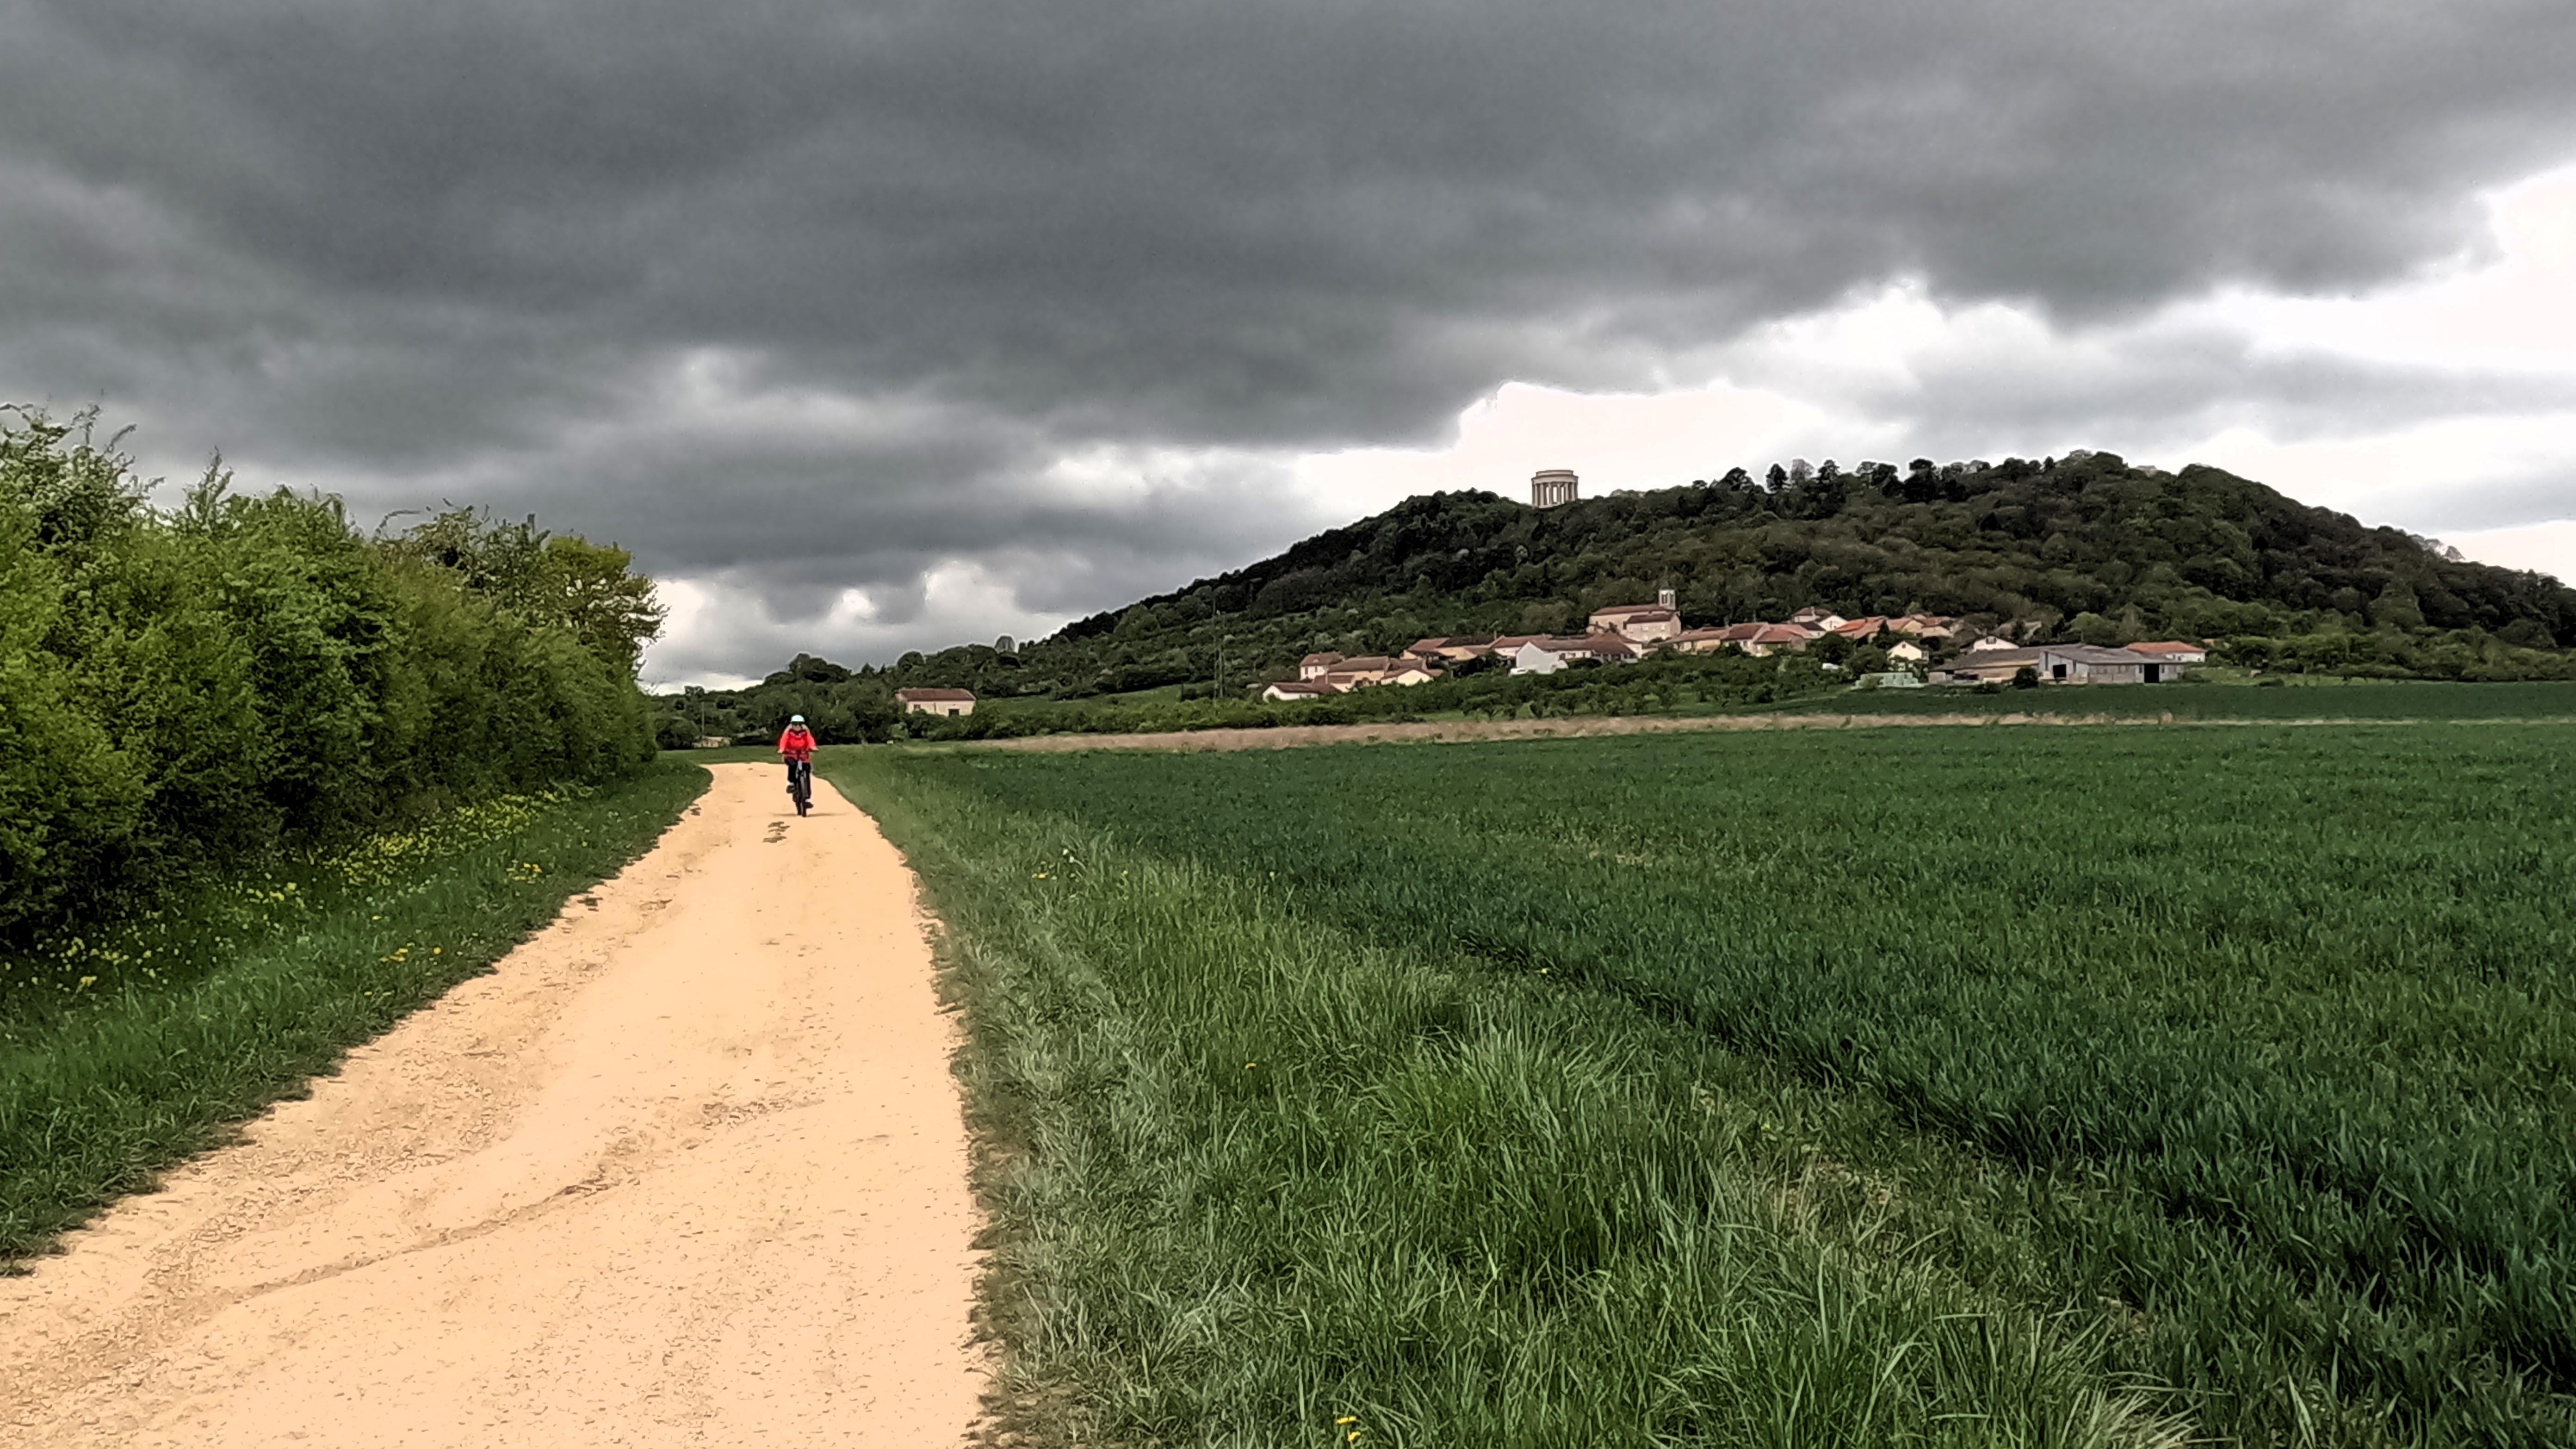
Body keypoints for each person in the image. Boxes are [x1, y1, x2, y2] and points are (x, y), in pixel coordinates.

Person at [777, 714, 817, 813]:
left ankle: (806, 797)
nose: (797, 726)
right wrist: (782, 749)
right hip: (790, 754)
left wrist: (812, 747)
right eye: (795, 724)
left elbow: (810, 740)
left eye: (799, 724)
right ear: (792, 724)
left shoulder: (805, 732)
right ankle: (791, 784)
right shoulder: (788, 732)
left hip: (803, 755)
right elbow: (784, 741)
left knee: (807, 771)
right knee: (793, 765)